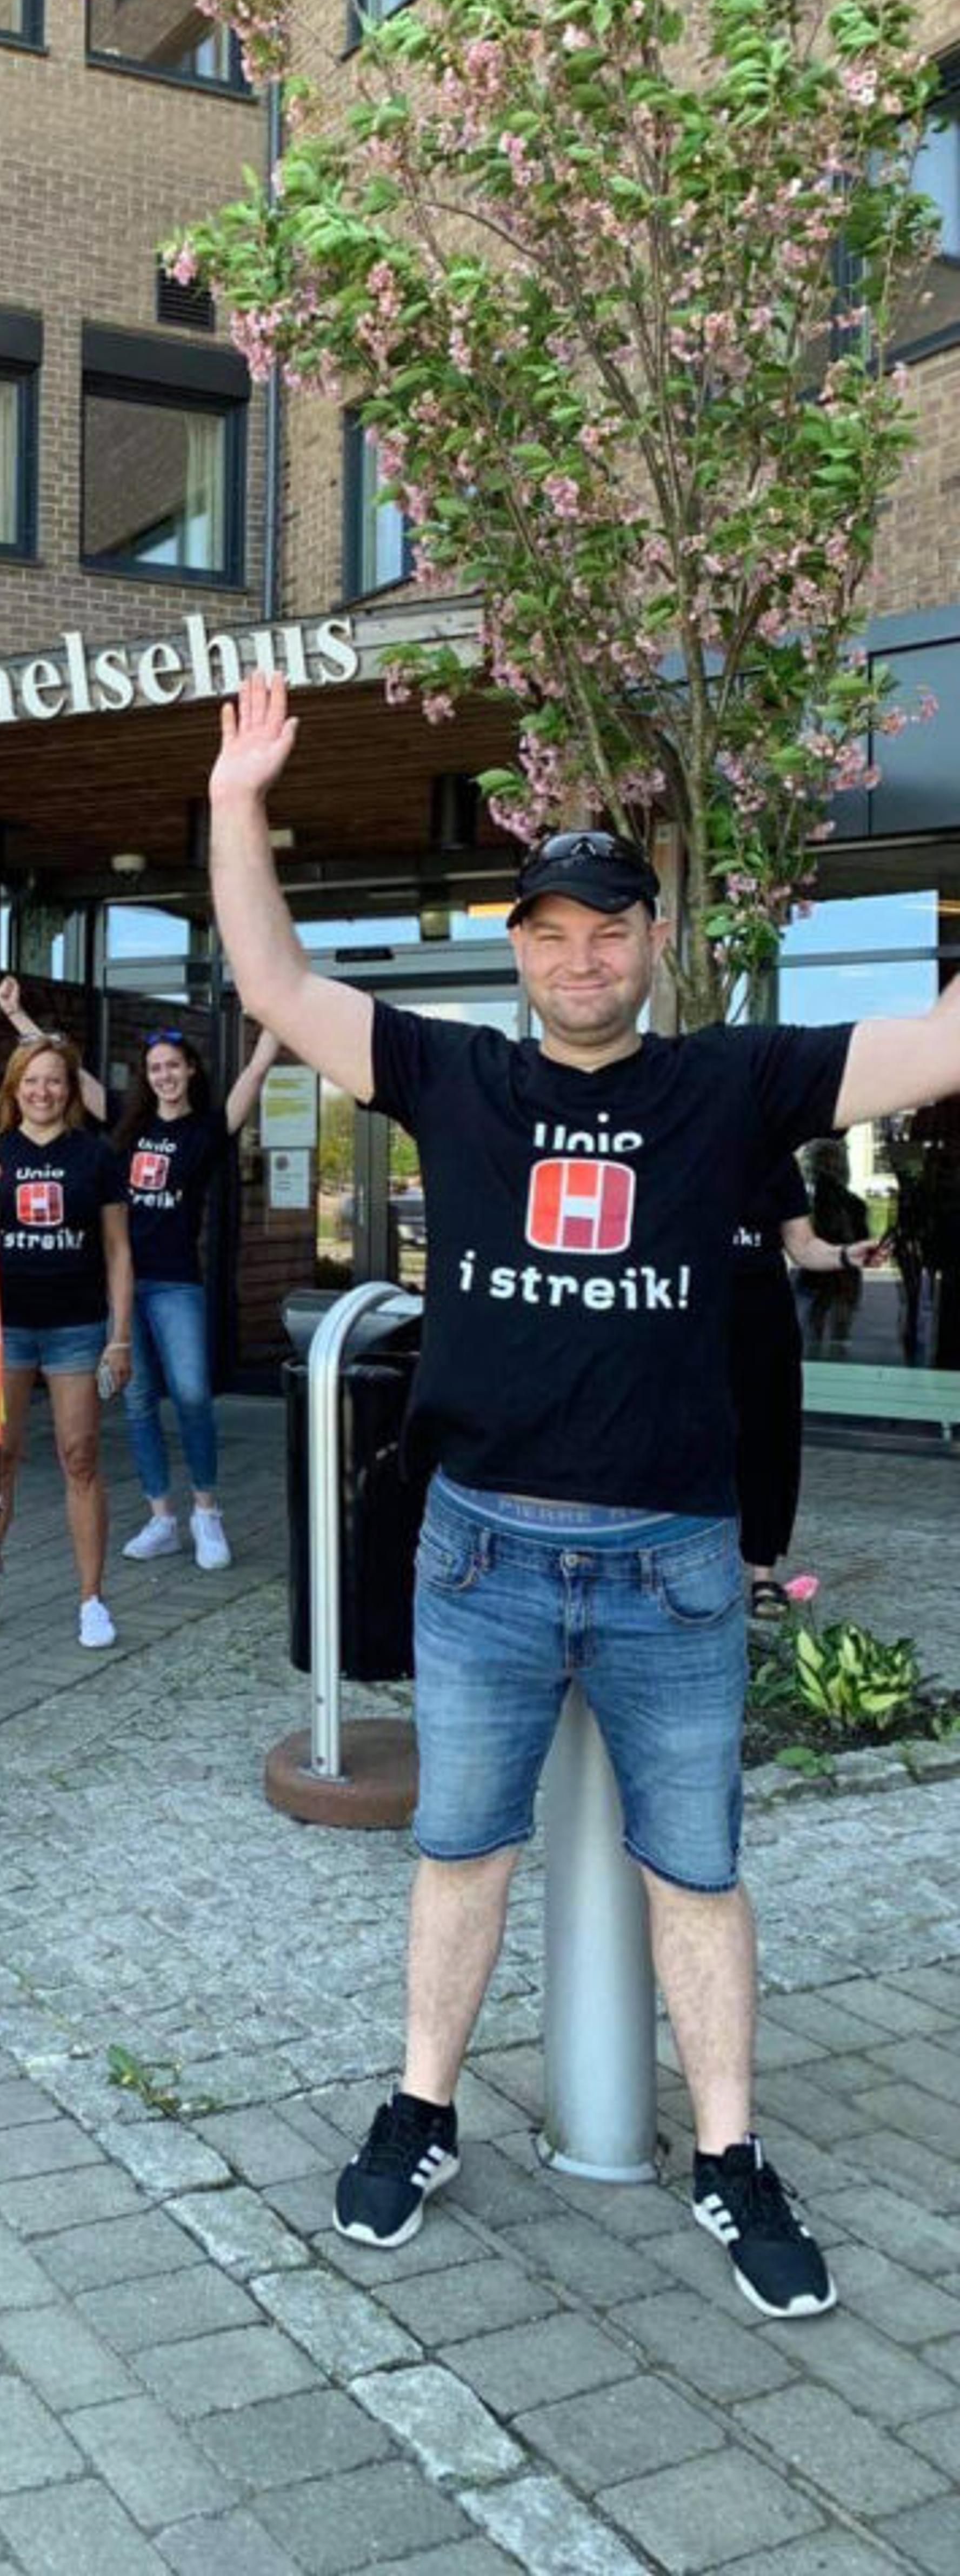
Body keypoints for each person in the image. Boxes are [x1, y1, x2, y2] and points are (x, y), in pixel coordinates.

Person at [211, 668, 960, 2321]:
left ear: (649, 940)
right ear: (521, 948)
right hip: (481, 1554)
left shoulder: (728, 1084)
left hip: (671, 1566)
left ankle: (729, 2152)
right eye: (549, 931)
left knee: (693, 1868)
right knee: (460, 1850)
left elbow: (939, 1044)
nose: (579, 957)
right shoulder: (455, 1078)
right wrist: (233, 800)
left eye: (606, 929)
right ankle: (421, 2109)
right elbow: (270, 978)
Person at [0, 1033, 132, 1652]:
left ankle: (91, 1599)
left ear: (70, 1087)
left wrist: (121, 1337)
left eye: (54, 1079)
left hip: (76, 1329)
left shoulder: (96, 1155)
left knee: (79, 1456)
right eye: (31, 1080)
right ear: (14, 1088)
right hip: (3, 1330)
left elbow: (118, 1251)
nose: (43, 1090)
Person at [110, 1024, 279, 1570]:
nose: (164, 1075)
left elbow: (255, 1072)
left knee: (191, 1395)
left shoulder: (206, 1129)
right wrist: (21, 1019)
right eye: (155, 1068)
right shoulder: (130, 1126)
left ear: (190, 1071)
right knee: (138, 1401)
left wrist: (275, 1018)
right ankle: (161, 1518)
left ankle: (207, 1512)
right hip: (123, 1284)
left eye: (173, 1065)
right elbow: (69, 1076)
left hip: (176, 1282)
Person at [731, 1157, 882, 1615]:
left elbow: (802, 1246)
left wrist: (845, 1256)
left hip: (763, 1320)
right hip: (690, 1316)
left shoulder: (775, 1163)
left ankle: (762, 1574)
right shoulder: (685, 1143)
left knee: (766, 1444)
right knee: (688, 1441)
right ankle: (682, 1567)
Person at [796, 1138, 871, 1358]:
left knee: (825, 1319)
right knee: (830, 1320)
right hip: (832, 1268)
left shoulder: (830, 1202)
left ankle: (825, 1355)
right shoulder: (845, 1203)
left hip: (833, 1269)